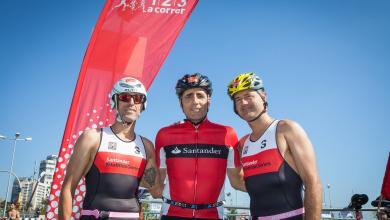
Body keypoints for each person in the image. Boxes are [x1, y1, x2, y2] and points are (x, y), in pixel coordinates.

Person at [59, 77, 160, 220]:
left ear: (142, 105)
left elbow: (155, 190)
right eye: (125, 97)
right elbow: (68, 188)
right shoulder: (92, 138)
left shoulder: (147, 146)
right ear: (115, 101)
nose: (131, 102)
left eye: (137, 98)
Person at [227, 72, 322, 220]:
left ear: (263, 96)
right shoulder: (242, 143)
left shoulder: (286, 129)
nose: (243, 103)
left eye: (248, 96)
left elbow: (313, 183)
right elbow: (237, 182)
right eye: (238, 99)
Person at [155, 73, 246, 220]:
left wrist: (271, 188)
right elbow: (156, 182)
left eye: (200, 95)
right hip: (173, 214)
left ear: (208, 100)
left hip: (212, 215)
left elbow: (237, 181)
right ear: (181, 102)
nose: (195, 101)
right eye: (189, 96)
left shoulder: (227, 134)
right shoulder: (164, 135)